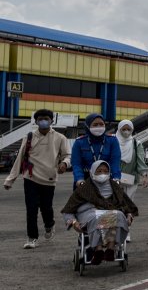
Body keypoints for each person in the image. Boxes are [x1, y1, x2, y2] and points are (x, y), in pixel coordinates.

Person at [4, 108, 71, 249]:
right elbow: (19, 159)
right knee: (31, 209)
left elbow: (67, 155)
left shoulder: (60, 138)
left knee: (46, 208)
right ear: (36, 121)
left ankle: (49, 224)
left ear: (52, 120)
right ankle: (32, 238)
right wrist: (10, 179)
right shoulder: (29, 137)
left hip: (49, 179)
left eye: (46, 118)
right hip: (30, 178)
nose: (43, 121)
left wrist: (64, 164)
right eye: (40, 119)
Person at [61, 159, 137, 256]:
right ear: (92, 172)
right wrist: (73, 222)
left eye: (106, 171)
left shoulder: (115, 187)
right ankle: (98, 249)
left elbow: (127, 205)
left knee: (117, 215)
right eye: (99, 171)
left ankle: (111, 247)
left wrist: (129, 215)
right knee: (96, 217)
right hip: (90, 214)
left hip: (110, 213)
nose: (102, 174)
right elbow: (68, 209)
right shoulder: (84, 188)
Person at [71, 113, 122, 188]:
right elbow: (76, 163)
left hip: (106, 177)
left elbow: (115, 161)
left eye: (101, 124)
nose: (99, 127)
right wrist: (79, 179)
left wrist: (116, 178)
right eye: (95, 125)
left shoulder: (112, 140)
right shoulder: (80, 142)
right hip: (85, 178)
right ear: (88, 126)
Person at [114, 119, 148, 201]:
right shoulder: (113, 142)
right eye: (123, 129)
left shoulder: (136, 143)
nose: (126, 131)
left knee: (129, 201)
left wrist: (144, 176)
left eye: (128, 129)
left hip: (131, 179)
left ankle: (129, 214)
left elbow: (140, 161)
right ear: (119, 130)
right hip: (115, 178)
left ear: (132, 130)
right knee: (116, 201)